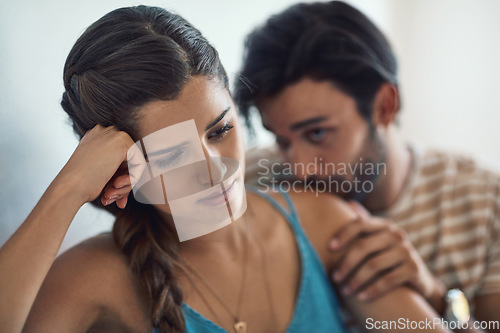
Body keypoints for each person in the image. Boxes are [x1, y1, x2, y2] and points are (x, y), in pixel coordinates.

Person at [0, 5, 458, 333]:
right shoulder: (90, 279)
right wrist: (68, 189)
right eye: (173, 155)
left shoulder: (322, 222)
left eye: (219, 131)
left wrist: (440, 297)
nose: (216, 170)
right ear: (120, 170)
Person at [235, 0, 500, 331]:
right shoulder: (251, 185)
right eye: (282, 140)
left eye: (317, 133)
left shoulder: (485, 204)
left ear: (385, 107)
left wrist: (435, 296)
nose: (299, 169)